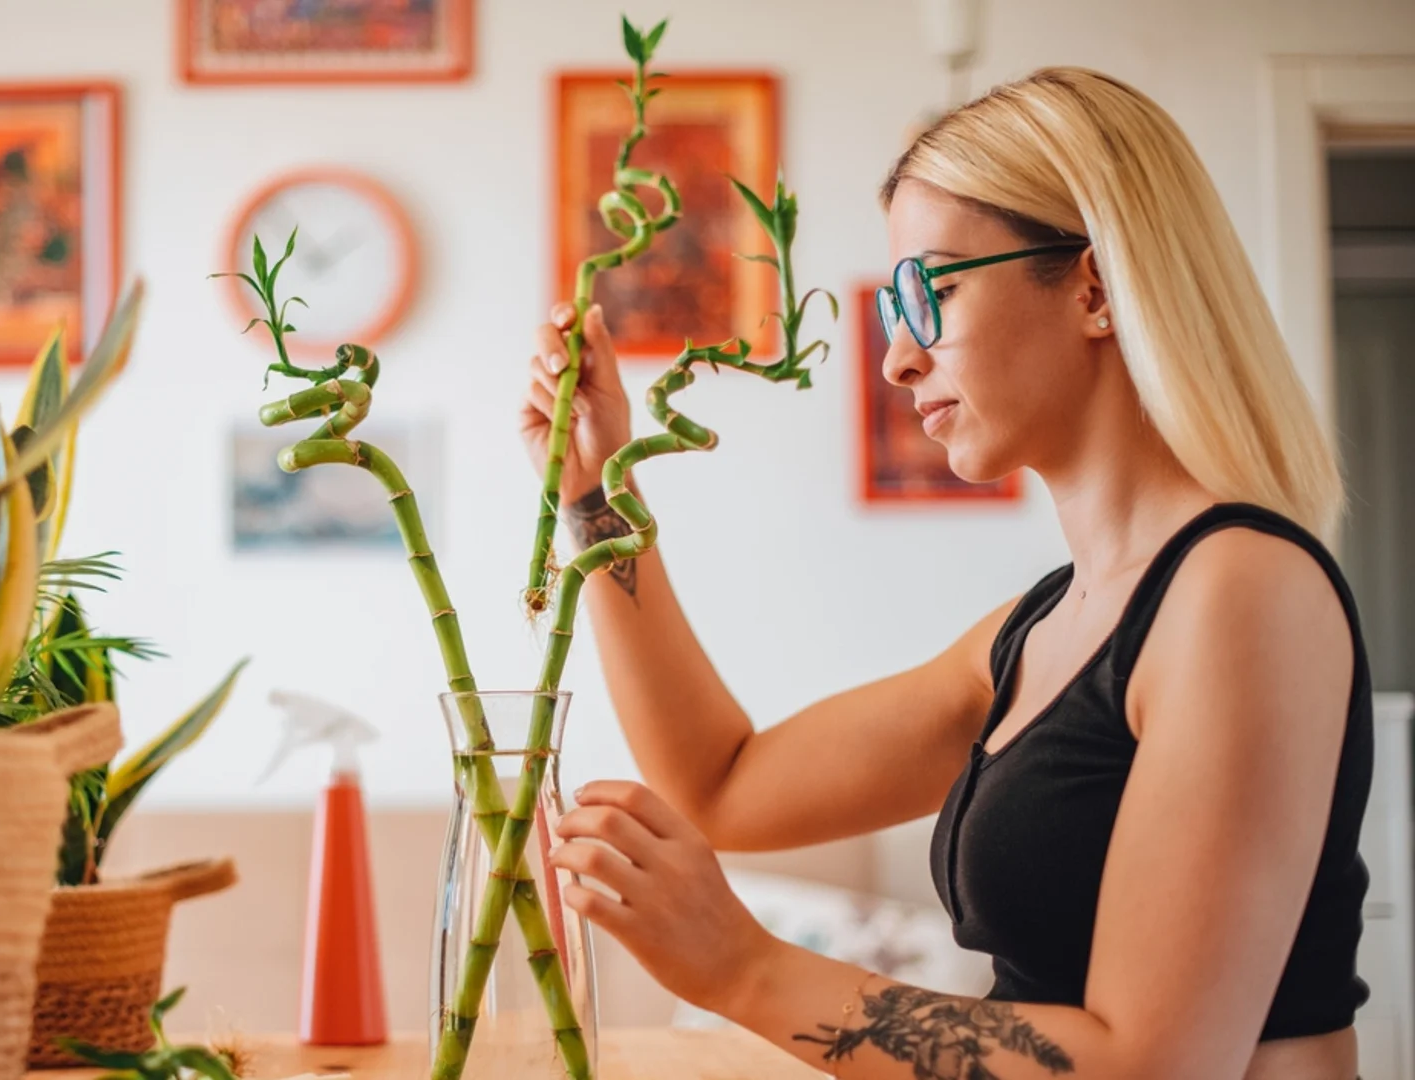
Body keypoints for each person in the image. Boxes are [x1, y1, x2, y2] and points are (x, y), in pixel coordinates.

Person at [526, 67, 1372, 1080]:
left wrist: (741, 967)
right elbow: (727, 787)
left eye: (932, 291)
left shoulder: (1241, 591)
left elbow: (1157, 1067)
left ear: (1095, 287)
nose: (897, 359)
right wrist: (596, 502)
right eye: (894, 307)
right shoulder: (1041, 631)